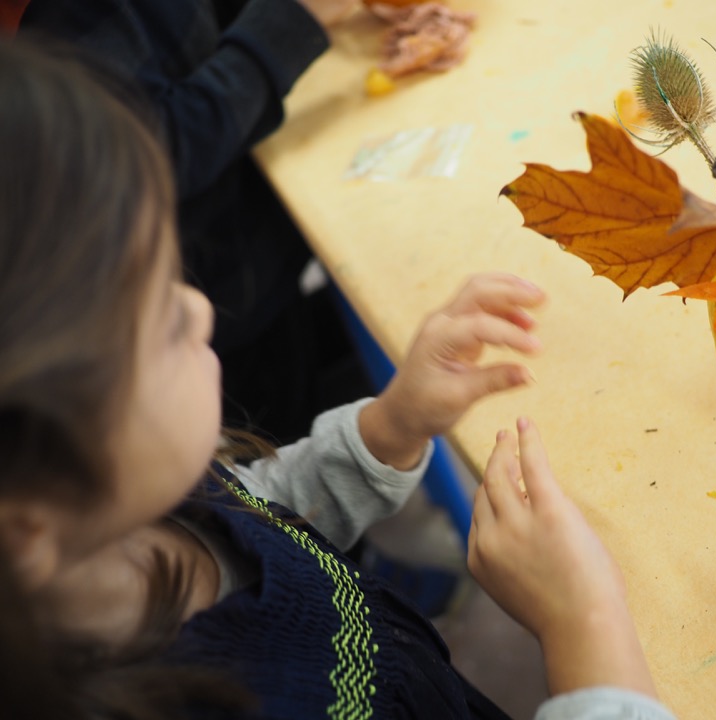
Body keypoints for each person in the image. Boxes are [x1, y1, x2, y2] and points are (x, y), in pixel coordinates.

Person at [0, 37, 675, 720]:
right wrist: (588, 628)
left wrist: (390, 428)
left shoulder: (137, 508)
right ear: (25, 528)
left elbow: (261, 511)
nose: (200, 308)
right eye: (159, 323)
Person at [18, 0, 369, 443]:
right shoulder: (58, 31)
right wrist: (290, 21)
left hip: (255, 248)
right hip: (222, 298)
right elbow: (140, 158)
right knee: (267, 473)